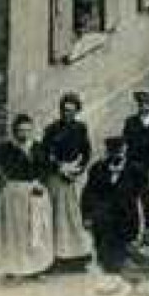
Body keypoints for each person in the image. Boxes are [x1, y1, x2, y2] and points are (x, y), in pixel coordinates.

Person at [0, 115, 53, 280]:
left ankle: (37, 268)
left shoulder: (39, 148)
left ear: (32, 130)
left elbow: (46, 168)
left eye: (27, 130)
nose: (23, 134)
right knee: (15, 233)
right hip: (14, 194)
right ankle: (15, 267)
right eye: (20, 130)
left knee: (36, 230)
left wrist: (40, 182)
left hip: (35, 191)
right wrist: (3, 178)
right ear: (14, 131)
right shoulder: (6, 149)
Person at [39, 92, 94, 271]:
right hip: (56, 177)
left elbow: (86, 152)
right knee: (56, 216)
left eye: (71, 110)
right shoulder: (51, 129)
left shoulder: (81, 128)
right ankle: (55, 257)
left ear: (77, 111)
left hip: (73, 177)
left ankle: (76, 257)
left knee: (73, 217)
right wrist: (58, 167)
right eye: (64, 110)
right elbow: (44, 154)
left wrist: (78, 169)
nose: (67, 113)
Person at [81, 136, 144, 275]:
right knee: (105, 258)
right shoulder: (97, 168)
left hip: (127, 219)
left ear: (125, 151)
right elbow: (88, 193)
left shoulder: (135, 169)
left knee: (125, 257)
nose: (117, 155)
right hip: (104, 221)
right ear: (108, 152)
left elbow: (142, 194)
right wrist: (87, 216)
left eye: (120, 152)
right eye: (113, 152)